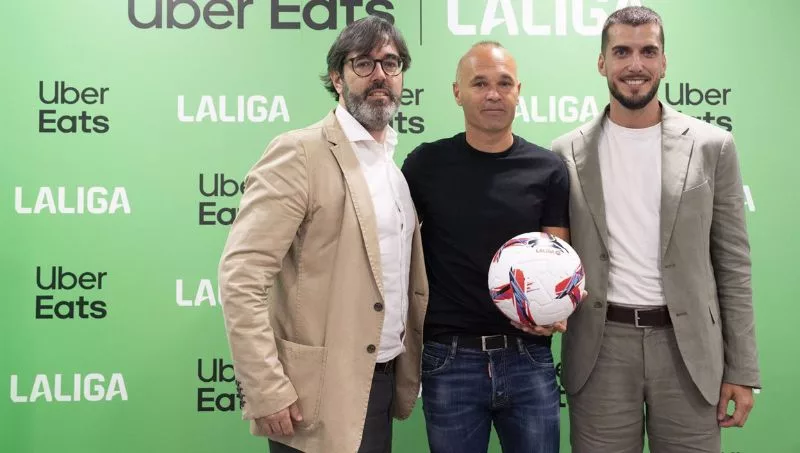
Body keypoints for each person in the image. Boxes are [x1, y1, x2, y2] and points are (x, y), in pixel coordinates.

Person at [549, 6, 760, 452]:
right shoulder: (564, 152)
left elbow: (733, 265)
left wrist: (742, 370)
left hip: (688, 351)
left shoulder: (712, 146)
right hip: (600, 349)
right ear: (602, 62)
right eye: (621, 52)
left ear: (664, 62)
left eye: (648, 51)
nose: (635, 65)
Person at [218, 16, 428, 453]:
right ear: (337, 77)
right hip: (312, 397)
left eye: (391, 63)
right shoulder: (299, 152)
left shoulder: (392, 167)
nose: (380, 75)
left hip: (381, 381)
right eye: (363, 63)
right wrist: (266, 387)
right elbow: (241, 277)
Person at [401, 41, 570, 453]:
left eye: (504, 83)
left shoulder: (548, 168)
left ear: (518, 91)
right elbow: (397, 250)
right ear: (457, 92)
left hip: (529, 356)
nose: (493, 94)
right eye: (479, 83)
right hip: (449, 359)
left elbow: (559, 259)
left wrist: (554, 312)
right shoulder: (424, 165)